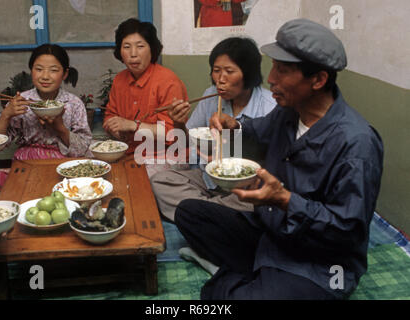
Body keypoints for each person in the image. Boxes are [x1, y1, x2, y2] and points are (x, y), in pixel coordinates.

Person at [174, 19, 384, 299]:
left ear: (318, 80)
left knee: (221, 297)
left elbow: (346, 230)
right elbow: (258, 130)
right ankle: (257, 275)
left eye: (282, 70)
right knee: (189, 213)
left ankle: (238, 279)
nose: (271, 78)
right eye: (273, 66)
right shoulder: (290, 112)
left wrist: (284, 200)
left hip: (321, 260)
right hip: (272, 231)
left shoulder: (356, 143)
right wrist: (235, 125)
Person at [150, 37, 276, 222]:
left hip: (245, 187)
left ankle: (201, 214)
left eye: (229, 72)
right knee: (161, 182)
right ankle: (214, 214)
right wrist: (177, 123)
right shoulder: (210, 95)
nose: (220, 80)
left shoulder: (270, 106)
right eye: (216, 71)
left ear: (248, 74)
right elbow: (186, 141)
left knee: (260, 204)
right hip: (208, 179)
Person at [103, 18, 188, 177]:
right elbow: (109, 116)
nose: (133, 54)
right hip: (130, 152)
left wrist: (132, 125)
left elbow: (173, 133)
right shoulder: (119, 80)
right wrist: (116, 129)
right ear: (119, 51)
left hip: (166, 155)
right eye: (126, 47)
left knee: (134, 180)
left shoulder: (168, 81)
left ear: (152, 49)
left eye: (140, 46)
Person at [0, 44, 92, 160]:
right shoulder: (21, 101)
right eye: (39, 69)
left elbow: (83, 148)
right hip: (27, 160)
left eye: (53, 70)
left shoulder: (73, 103)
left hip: (63, 161)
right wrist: (6, 115)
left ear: (65, 74)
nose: (45, 76)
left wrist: (60, 127)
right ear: (31, 71)